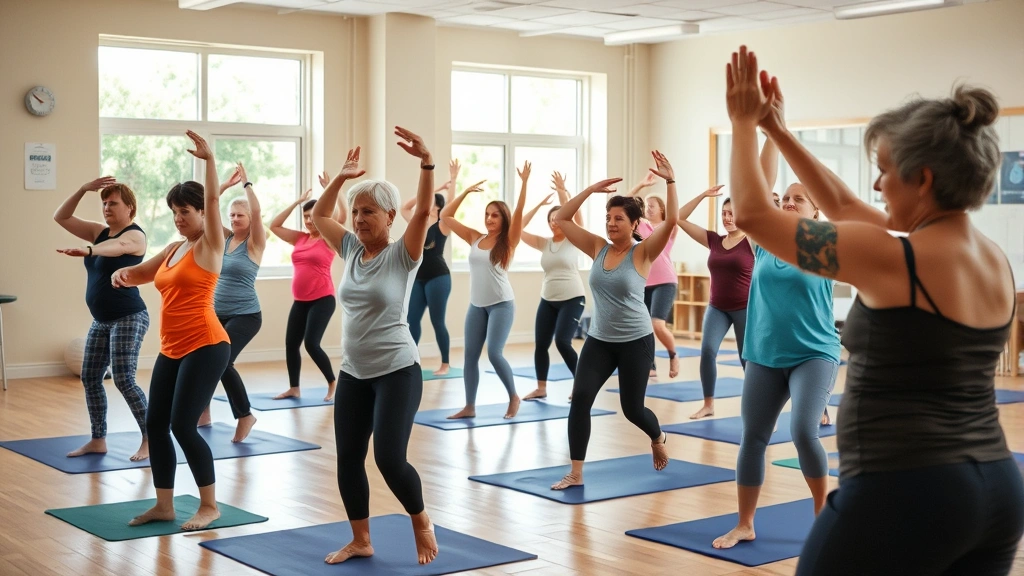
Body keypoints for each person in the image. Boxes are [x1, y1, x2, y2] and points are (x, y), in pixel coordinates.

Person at [728, 47, 1024, 573]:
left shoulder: (896, 257)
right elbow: (842, 206)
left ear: (923, 179)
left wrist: (743, 124)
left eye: (885, 172)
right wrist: (778, 129)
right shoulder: (989, 256)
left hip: (908, 487)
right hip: (997, 490)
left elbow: (751, 214)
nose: (876, 185)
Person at [314, 129, 438, 566]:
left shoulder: (404, 253)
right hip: (354, 371)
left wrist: (426, 162)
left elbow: (424, 210)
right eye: (356, 211)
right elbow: (319, 216)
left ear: (389, 217)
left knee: (387, 457)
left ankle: (420, 519)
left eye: (369, 212)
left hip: (397, 369)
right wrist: (340, 181)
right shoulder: (349, 248)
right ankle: (361, 539)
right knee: (348, 458)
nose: (359, 218)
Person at [112, 130, 230, 531]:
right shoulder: (174, 248)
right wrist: (124, 274)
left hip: (206, 343)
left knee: (183, 425)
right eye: (175, 212)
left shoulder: (211, 244)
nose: (180, 219)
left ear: (201, 214)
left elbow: (215, 200)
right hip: (172, 347)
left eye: (186, 212)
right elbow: (144, 274)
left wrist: (209, 161)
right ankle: (164, 505)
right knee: (156, 425)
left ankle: (209, 505)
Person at [549, 151, 677, 491]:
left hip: (636, 341)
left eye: (618, 218)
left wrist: (671, 181)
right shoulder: (597, 248)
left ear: (635, 224)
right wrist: (590, 189)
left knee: (632, 409)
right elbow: (563, 218)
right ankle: (576, 472)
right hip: (600, 341)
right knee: (580, 400)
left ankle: (657, 435)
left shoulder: (644, 251)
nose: (610, 224)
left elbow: (673, 220)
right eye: (608, 218)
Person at [676, 138, 778, 419]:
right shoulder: (715, 241)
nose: (727, 217)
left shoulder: (753, 241)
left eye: (732, 213)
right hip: (717, 307)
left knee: (748, 361)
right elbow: (678, 218)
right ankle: (708, 404)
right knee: (707, 351)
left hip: (745, 308)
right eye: (724, 213)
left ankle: (758, 407)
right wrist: (702, 195)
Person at [54, 178, 150, 461]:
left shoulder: (135, 236)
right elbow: (61, 217)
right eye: (104, 203)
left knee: (123, 379)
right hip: (101, 319)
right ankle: (98, 439)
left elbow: (117, 247)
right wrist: (83, 189)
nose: (107, 207)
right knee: (90, 377)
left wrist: (89, 250)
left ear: (130, 208)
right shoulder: (98, 232)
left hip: (129, 316)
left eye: (113, 203)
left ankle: (151, 438)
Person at [441, 162, 529, 420]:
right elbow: (445, 217)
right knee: (469, 357)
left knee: (493, 353)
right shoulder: (475, 237)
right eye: (487, 214)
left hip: (502, 304)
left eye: (495, 215)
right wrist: (465, 191)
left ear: (504, 219)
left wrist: (523, 184)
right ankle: (469, 406)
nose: (489, 218)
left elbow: (520, 211)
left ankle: (513, 396)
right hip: (476, 305)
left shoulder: (509, 241)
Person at [195, 162, 264, 443]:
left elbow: (257, 211)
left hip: (246, 314)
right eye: (232, 215)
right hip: (216, 312)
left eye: (240, 215)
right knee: (203, 361)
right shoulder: (223, 239)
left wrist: (246, 184)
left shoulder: (254, 243)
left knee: (223, 362)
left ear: (249, 218)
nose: (235, 219)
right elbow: (204, 213)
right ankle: (204, 411)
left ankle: (245, 415)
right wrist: (222, 187)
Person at [269, 175, 347, 402]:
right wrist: (296, 202)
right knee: (291, 344)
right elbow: (274, 225)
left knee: (312, 344)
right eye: (305, 217)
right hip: (300, 301)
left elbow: (342, 214)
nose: (309, 221)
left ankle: (333, 383)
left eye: (312, 216)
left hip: (323, 299)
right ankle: (294, 387)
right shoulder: (300, 239)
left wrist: (335, 188)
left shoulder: (328, 237)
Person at [519, 171, 586, 401]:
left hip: (573, 298)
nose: (554, 221)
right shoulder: (544, 243)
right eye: (551, 219)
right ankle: (541, 388)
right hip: (548, 299)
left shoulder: (575, 238)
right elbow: (517, 227)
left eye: (558, 218)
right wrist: (538, 205)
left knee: (562, 342)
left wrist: (562, 192)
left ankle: (581, 386)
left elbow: (574, 217)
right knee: (541, 345)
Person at [401, 160, 457, 376]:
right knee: (411, 320)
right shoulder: (417, 221)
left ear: (439, 206)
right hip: (418, 277)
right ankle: (410, 360)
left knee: (437, 321)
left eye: (432, 200)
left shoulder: (442, 224)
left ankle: (445, 363)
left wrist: (452, 183)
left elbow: (451, 206)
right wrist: (433, 188)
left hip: (438, 278)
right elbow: (404, 207)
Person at [626, 175, 681, 378]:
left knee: (657, 324)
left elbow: (675, 213)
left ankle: (673, 354)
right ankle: (650, 365)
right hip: (643, 282)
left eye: (652, 205)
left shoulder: (668, 227)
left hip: (665, 281)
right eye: (646, 205)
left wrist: (669, 183)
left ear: (662, 210)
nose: (648, 208)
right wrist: (640, 184)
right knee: (642, 326)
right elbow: (624, 201)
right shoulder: (640, 226)